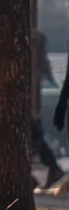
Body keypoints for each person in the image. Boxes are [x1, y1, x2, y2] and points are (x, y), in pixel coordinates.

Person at [32, 30, 64, 188]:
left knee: (32, 135)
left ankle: (49, 169)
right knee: (33, 136)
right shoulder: (37, 40)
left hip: (27, 99)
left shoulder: (30, 38)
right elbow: (46, 71)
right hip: (31, 100)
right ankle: (50, 169)